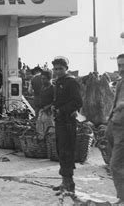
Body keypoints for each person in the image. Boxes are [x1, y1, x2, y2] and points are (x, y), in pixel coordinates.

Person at [51, 56, 83, 194]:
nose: (58, 71)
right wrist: (54, 107)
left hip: (68, 122)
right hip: (60, 121)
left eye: (60, 69)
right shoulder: (59, 82)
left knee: (66, 151)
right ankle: (65, 182)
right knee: (61, 151)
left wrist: (61, 110)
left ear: (66, 69)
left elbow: (77, 102)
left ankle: (69, 184)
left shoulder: (71, 82)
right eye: (56, 69)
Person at [106, 53, 124, 203]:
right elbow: (115, 103)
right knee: (117, 165)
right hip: (115, 126)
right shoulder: (119, 83)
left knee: (115, 165)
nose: (121, 69)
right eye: (119, 65)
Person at [35, 70, 55, 139]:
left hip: (50, 113)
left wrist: (49, 106)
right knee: (40, 130)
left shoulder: (53, 89)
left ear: (49, 79)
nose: (42, 80)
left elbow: (56, 101)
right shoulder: (43, 88)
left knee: (49, 131)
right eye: (41, 78)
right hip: (42, 111)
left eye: (44, 79)